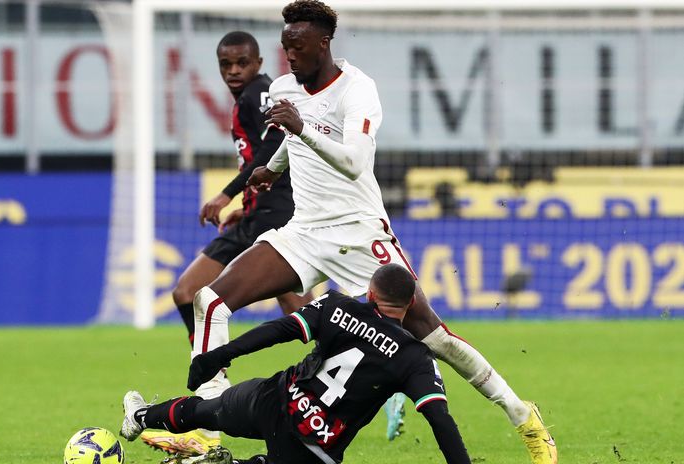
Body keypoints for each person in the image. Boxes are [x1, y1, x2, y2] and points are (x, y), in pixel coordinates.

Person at [186, 2, 558, 463]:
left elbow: (353, 162)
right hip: (304, 232)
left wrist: (301, 128)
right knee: (210, 301)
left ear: (323, 43)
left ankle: (524, 416)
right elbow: (289, 140)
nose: (290, 58)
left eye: (297, 48)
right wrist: (270, 169)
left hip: (359, 234)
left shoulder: (358, 90)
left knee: (434, 338)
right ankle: (207, 424)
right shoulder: (285, 87)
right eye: (285, 49)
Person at [141, 30, 314, 454]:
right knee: (189, 292)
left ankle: (357, 376)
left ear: (257, 63)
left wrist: (227, 193)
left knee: (301, 314)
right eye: (226, 65)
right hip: (258, 214)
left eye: (241, 63)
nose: (234, 71)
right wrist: (245, 204)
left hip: (275, 216)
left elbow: (274, 147)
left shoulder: (262, 93)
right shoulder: (248, 97)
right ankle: (213, 385)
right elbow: (262, 155)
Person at [122, 264, 472, 464]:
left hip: (274, 400)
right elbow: (440, 420)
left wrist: (218, 356)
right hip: (316, 448)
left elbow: (278, 329)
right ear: (412, 303)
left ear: (369, 294)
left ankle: (139, 418)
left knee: (206, 410)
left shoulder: (337, 306)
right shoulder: (416, 358)